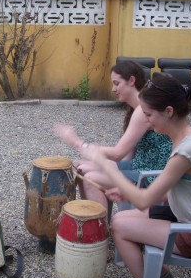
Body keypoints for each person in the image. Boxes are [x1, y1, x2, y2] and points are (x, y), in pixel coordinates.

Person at [78, 76, 191, 278]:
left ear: (168, 111)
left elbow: (143, 200)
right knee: (119, 221)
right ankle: (160, 277)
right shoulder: (190, 136)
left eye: (149, 115)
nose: (146, 120)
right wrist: (125, 192)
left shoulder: (186, 151)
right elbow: (178, 189)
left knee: (121, 228)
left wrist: (105, 166)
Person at [54, 61, 172, 208]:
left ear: (131, 81)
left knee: (91, 178)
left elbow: (118, 154)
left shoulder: (143, 110)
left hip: (152, 177)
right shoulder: (137, 110)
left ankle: (99, 227)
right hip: (138, 167)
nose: (113, 89)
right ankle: (94, 223)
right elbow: (128, 156)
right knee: (82, 168)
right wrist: (97, 163)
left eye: (117, 83)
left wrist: (77, 142)